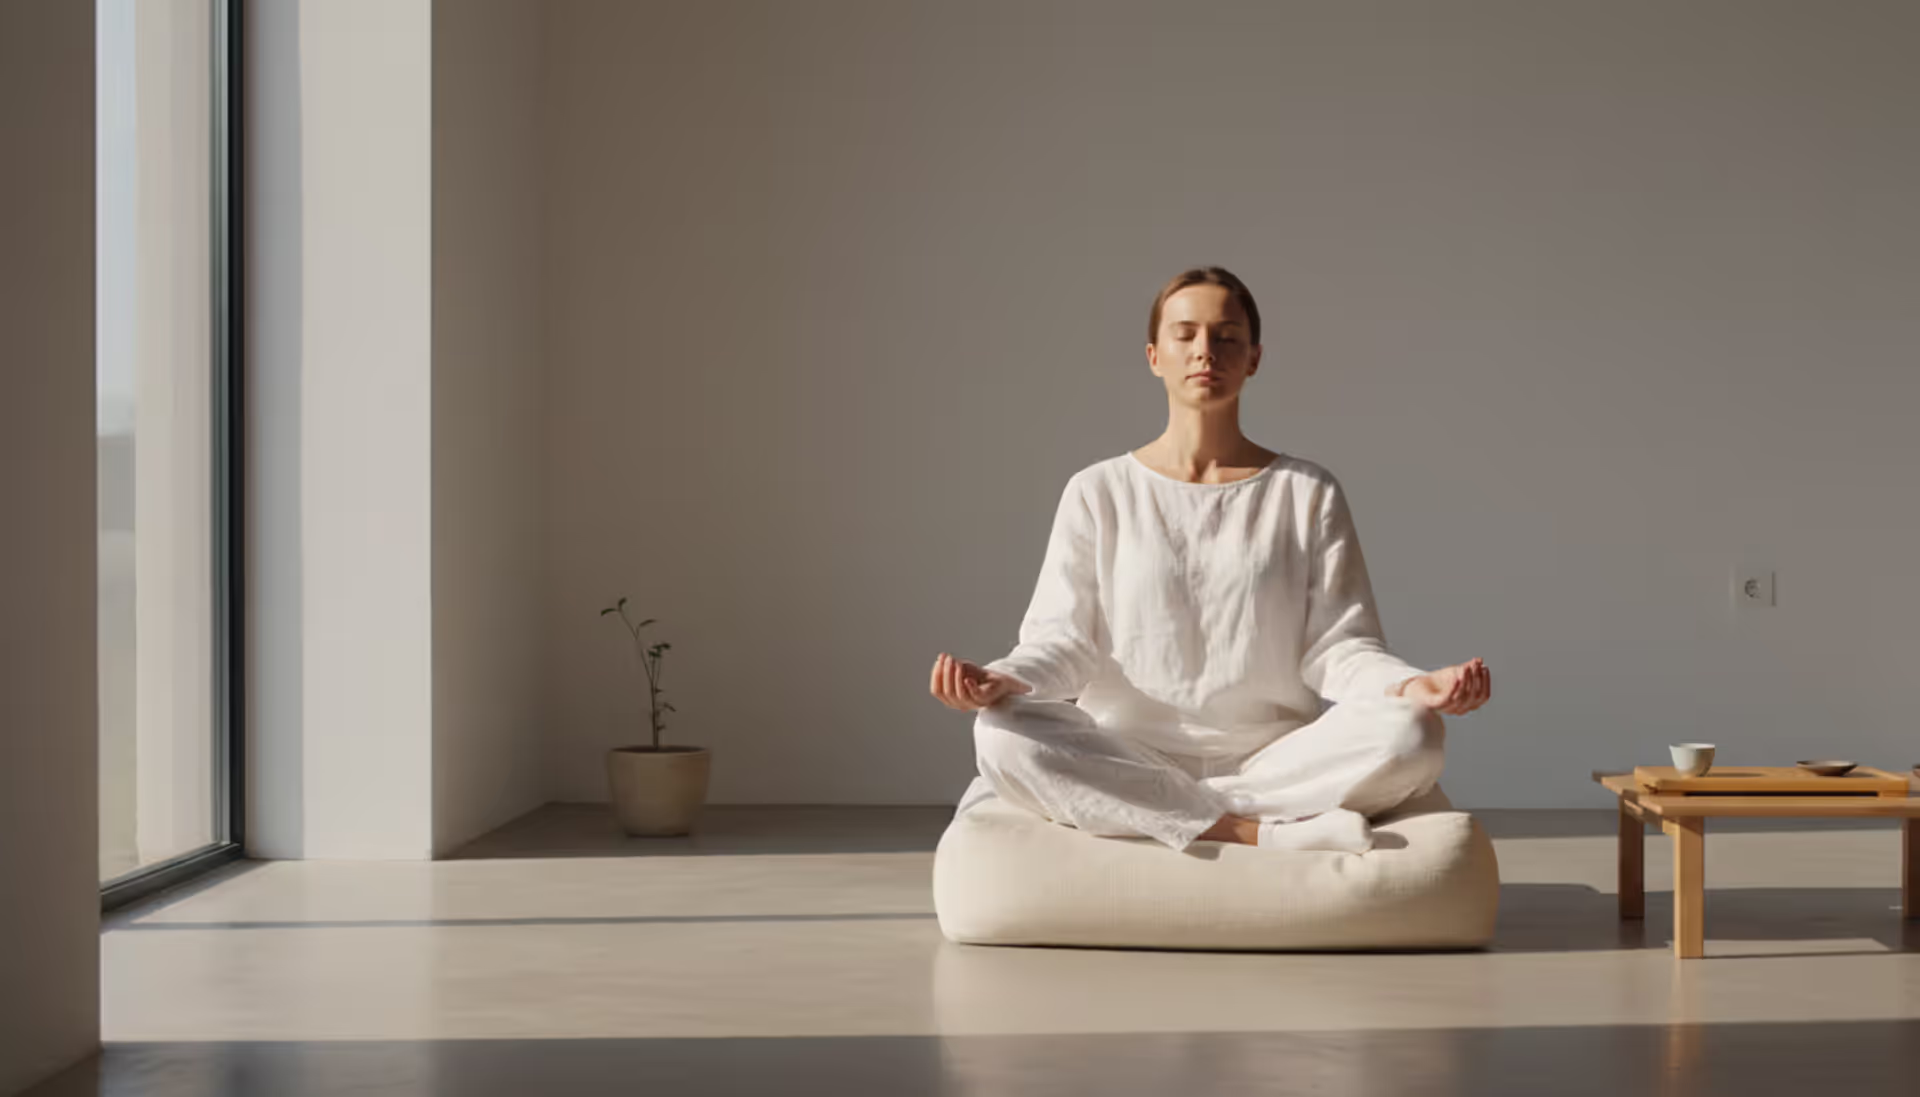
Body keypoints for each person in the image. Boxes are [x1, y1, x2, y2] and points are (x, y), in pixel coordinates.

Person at [928, 266, 1490, 854]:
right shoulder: (1098, 491)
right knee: (1000, 731)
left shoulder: (1307, 491)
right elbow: (1063, 642)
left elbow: (1340, 647)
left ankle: (1155, 809)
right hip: (1127, 749)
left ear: (1253, 358)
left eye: (1226, 337)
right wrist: (1002, 679)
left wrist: (1411, 686)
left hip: (1272, 759)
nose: (1205, 352)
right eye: (1185, 334)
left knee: (1415, 733)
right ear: (1154, 355)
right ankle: (1256, 833)